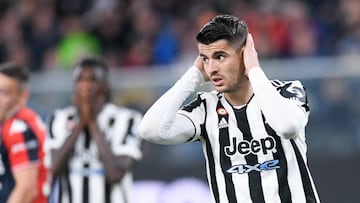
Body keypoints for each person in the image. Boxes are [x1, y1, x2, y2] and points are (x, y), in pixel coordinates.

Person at [139, 14, 320, 203]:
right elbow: (150, 130)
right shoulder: (206, 109)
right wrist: (193, 76)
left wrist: (254, 70)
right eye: (205, 59)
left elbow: (287, 127)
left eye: (220, 57)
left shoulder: (287, 91)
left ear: (244, 55)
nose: (212, 68)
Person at [44, 57, 143, 203]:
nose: (85, 86)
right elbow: (52, 169)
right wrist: (80, 124)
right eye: (80, 80)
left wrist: (91, 122)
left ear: (105, 86)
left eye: (92, 80)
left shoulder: (128, 119)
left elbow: (115, 174)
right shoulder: (58, 119)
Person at [0, 62, 49, 203]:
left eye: (4, 93)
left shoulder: (18, 129)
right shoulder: (23, 120)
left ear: (23, 97)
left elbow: (26, 190)